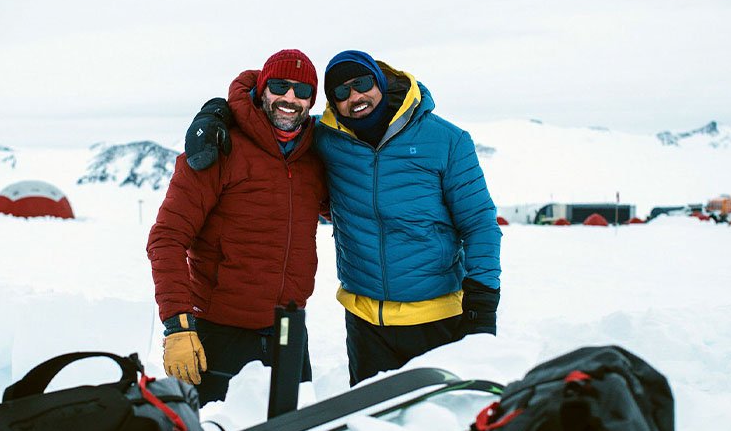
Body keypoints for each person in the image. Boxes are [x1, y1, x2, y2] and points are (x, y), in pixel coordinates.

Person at [184, 50, 502, 386]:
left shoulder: (447, 141)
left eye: (362, 84)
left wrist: (481, 307)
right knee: (371, 429)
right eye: (341, 92)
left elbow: (480, 224)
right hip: (366, 326)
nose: (355, 97)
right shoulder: (326, 138)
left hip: (438, 320)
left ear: (380, 82)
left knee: (442, 427)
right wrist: (215, 112)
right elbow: (269, 118)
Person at [147, 49, 328, 404]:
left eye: (302, 91)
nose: (290, 99)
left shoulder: (314, 157)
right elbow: (166, 238)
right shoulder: (218, 146)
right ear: (262, 90)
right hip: (218, 334)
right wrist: (178, 326)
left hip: (289, 331)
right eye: (279, 86)